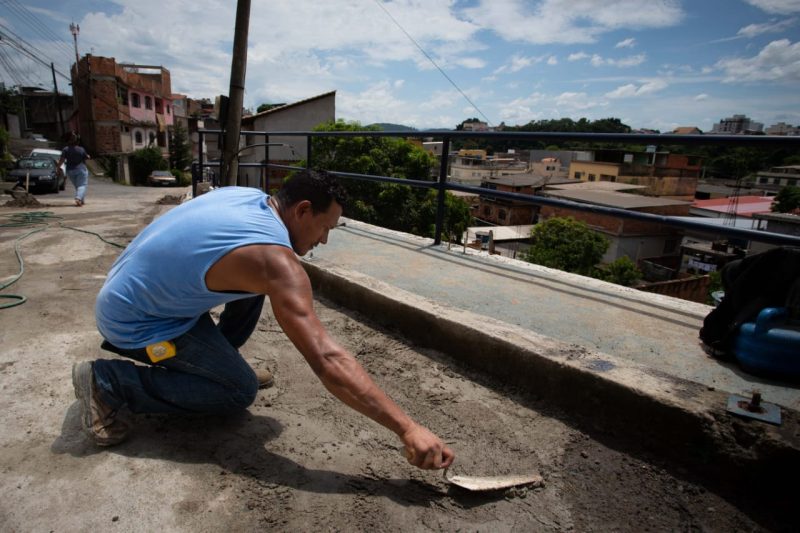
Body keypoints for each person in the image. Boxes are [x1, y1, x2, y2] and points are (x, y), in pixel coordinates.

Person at [72, 169, 455, 470]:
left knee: (254, 291)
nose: (324, 240)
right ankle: (107, 382)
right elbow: (326, 359)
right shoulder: (274, 261)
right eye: (326, 227)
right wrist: (408, 428)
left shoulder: (249, 198)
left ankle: (214, 364)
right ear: (303, 209)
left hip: (136, 294)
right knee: (237, 392)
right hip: (138, 325)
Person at [56, 132, 91, 206]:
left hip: (70, 171)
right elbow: (86, 157)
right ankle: (78, 198)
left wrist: (58, 168)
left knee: (78, 187)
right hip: (81, 169)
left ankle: (81, 201)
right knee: (82, 185)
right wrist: (88, 156)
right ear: (77, 141)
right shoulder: (81, 149)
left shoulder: (65, 149)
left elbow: (61, 160)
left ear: (69, 141)